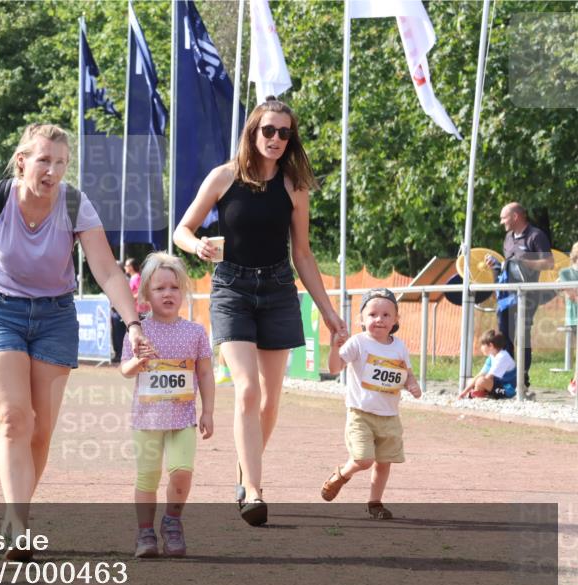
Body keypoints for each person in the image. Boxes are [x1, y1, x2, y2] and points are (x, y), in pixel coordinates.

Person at [0, 123, 151, 555]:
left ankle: (19, 515)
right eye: (44, 160)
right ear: (22, 162)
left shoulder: (74, 203)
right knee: (14, 417)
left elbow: (106, 270)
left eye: (62, 162)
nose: (53, 170)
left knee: (41, 429)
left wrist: (135, 324)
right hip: (0, 312)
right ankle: (16, 523)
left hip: (55, 316)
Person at [173, 96, 347, 526]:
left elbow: (303, 255)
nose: (275, 138)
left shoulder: (294, 187)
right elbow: (182, 229)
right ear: (253, 132)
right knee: (247, 389)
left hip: (277, 289)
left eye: (284, 133)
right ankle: (253, 489)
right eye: (268, 130)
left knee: (271, 398)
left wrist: (328, 311)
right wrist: (196, 246)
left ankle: (244, 471)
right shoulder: (224, 176)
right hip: (231, 288)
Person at [119, 252, 213, 558]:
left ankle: (172, 523)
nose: (168, 293)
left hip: (182, 418)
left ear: (183, 290)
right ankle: (145, 532)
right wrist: (138, 360)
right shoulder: (138, 331)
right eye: (160, 288)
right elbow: (124, 370)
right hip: (146, 420)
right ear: (146, 293)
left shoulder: (196, 332)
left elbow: (205, 373)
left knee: (182, 471)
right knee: (147, 476)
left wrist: (208, 410)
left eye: (174, 287)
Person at [320, 288, 422, 519]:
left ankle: (375, 503)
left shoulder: (399, 347)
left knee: (384, 462)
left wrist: (412, 385)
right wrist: (335, 346)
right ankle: (341, 475)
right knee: (364, 459)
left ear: (396, 320)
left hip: (390, 416)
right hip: (360, 414)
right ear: (361, 319)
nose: (379, 319)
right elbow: (334, 368)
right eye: (373, 314)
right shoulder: (358, 343)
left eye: (386, 315)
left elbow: (407, 373)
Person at [486, 203, 553, 391]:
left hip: (527, 296)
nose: (501, 222)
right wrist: (496, 265)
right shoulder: (508, 238)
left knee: (522, 336)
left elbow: (549, 263)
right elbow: (509, 266)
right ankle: (506, 376)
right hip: (506, 297)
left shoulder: (536, 236)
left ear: (516, 217)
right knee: (504, 338)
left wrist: (526, 262)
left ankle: (522, 378)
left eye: (503, 218)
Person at [458, 329, 517, 400]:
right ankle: (480, 394)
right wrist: (464, 392)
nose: (481, 348)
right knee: (471, 381)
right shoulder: (492, 356)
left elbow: (487, 378)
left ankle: (477, 397)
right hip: (497, 386)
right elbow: (481, 374)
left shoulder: (502, 357)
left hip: (507, 390)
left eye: (483, 344)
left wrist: (476, 387)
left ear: (491, 345)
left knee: (481, 381)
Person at [559, 242, 578, 397]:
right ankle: (575, 383)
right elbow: (572, 295)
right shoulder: (566, 272)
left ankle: (574, 382)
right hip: (575, 317)